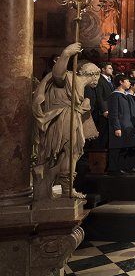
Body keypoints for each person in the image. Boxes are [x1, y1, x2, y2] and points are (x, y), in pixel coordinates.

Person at [32, 42, 101, 199]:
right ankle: (64, 188)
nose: (97, 80)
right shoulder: (71, 77)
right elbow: (57, 75)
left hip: (72, 117)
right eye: (97, 75)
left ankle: (63, 186)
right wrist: (66, 53)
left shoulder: (80, 85)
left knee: (72, 152)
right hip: (63, 118)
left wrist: (84, 105)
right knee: (70, 151)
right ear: (93, 74)